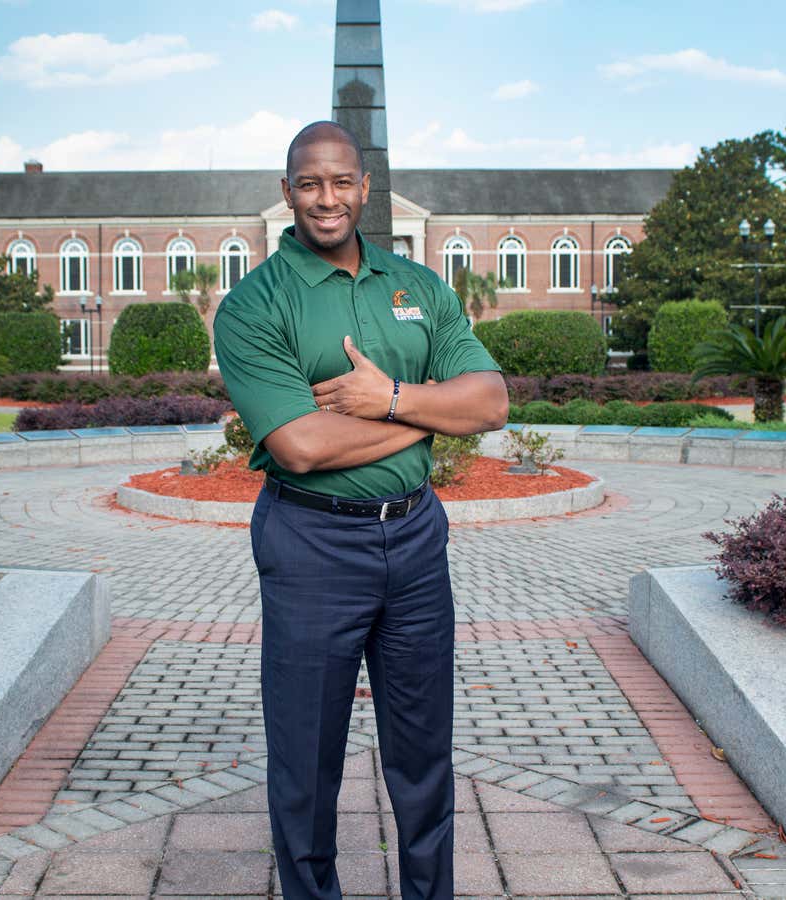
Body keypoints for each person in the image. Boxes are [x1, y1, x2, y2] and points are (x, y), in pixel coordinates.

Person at [213, 120, 508, 900]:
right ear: (287, 193)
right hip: (311, 545)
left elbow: (491, 401)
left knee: (422, 753)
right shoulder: (254, 305)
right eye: (309, 184)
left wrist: (389, 397)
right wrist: (420, 414)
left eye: (341, 181)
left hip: (414, 539)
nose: (326, 198)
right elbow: (300, 445)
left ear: (365, 188)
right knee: (307, 760)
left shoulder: (420, 288)